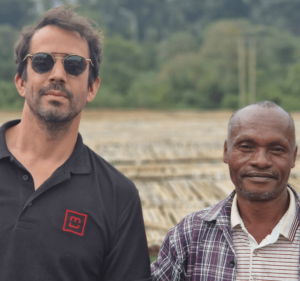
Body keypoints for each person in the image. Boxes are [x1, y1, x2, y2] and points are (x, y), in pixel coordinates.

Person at [0, 5, 151, 281]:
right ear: (21, 81)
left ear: (92, 87)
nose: (58, 74)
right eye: (43, 61)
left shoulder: (118, 197)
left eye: (74, 65)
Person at [152, 101, 299, 281]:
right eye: (246, 147)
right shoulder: (189, 235)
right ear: (226, 151)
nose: (261, 161)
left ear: (293, 156)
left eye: (277, 149)